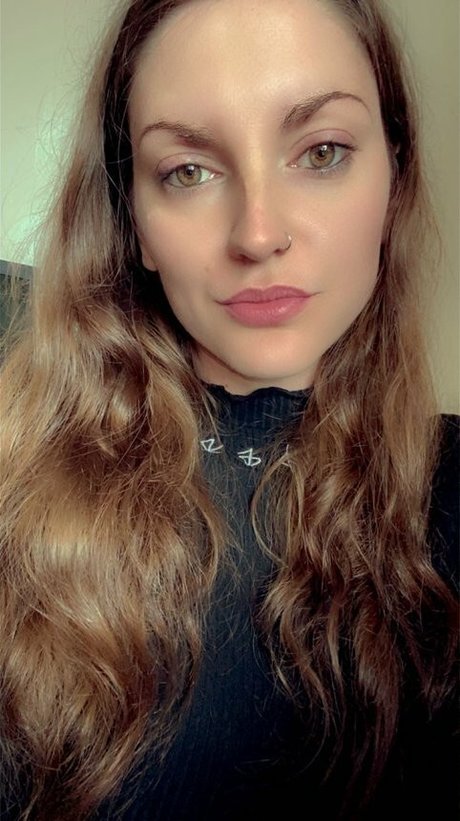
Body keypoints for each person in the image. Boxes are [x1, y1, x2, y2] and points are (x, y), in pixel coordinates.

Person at [0, 0, 458, 818]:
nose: (257, 233)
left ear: (395, 178)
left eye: (321, 152)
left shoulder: (447, 490)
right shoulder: (17, 470)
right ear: (137, 225)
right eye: (188, 170)